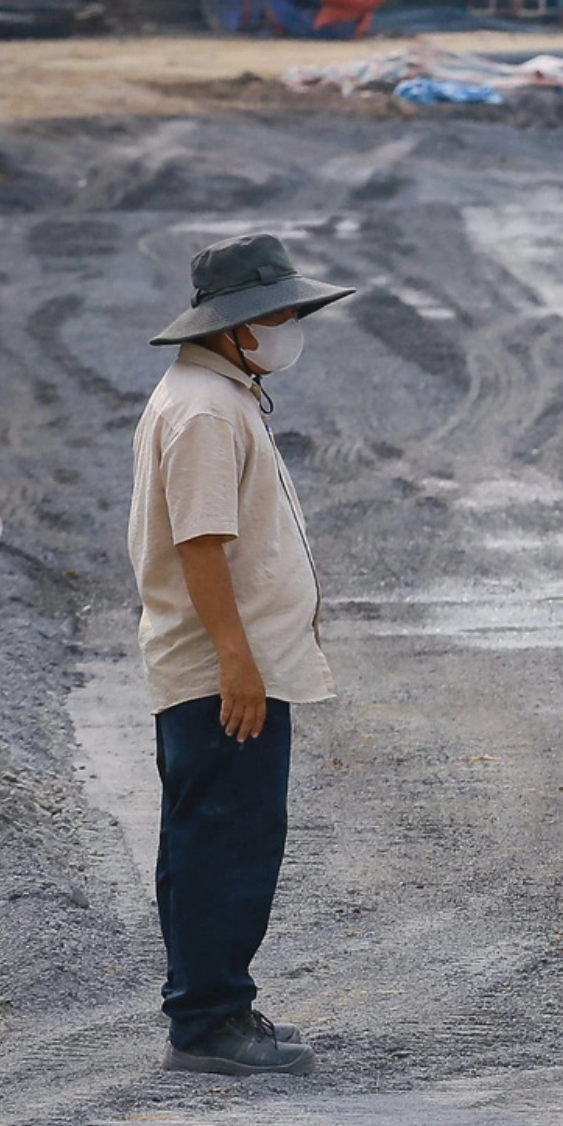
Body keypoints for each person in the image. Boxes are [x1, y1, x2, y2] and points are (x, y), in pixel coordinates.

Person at [128, 234, 352, 1078]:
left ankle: (217, 1004)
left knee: (217, 836)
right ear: (233, 326)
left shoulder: (223, 395)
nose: (289, 325)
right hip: (221, 673)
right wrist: (237, 661)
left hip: (231, 666)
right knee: (223, 840)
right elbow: (201, 546)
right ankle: (209, 1023)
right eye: (277, 313)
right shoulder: (201, 411)